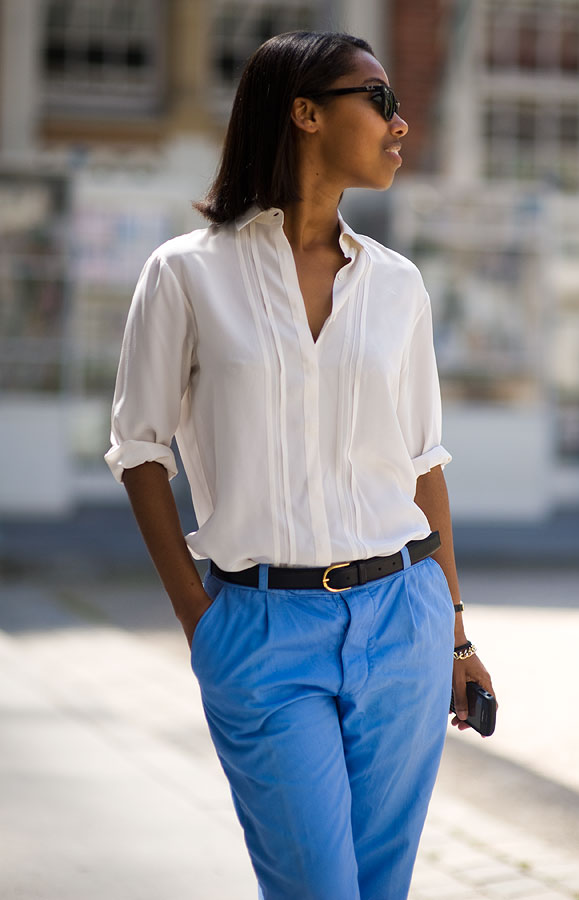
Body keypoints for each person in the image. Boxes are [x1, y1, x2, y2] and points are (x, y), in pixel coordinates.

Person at [105, 30, 496, 900]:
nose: (401, 124)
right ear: (307, 112)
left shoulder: (398, 284)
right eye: (380, 100)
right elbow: (138, 450)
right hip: (261, 628)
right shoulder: (185, 275)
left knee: (379, 889)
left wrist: (457, 636)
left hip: (406, 619)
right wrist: (199, 620)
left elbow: (424, 466)